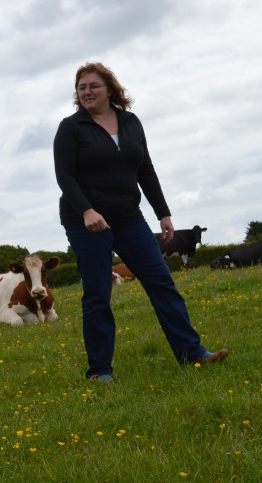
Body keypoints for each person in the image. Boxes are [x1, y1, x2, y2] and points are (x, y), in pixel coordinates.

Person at [53, 62, 227, 381]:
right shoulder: (71, 128)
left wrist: (163, 213)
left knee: (161, 281)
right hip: (87, 222)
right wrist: (87, 211)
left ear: (110, 89)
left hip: (129, 218)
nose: (87, 92)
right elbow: (64, 176)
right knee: (98, 292)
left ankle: (192, 353)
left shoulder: (130, 122)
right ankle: (100, 370)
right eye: (81, 88)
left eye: (93, 85)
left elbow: (145, 170)